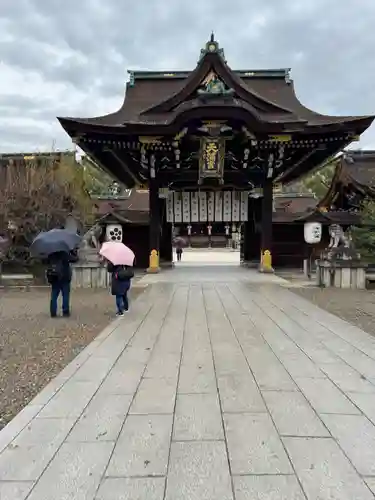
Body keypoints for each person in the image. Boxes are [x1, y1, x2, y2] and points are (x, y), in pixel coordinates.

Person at [46, 250, 74, 318]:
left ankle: (53, 311)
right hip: (65, 276)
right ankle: (65, 311)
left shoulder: (51, 253)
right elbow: (74, 259)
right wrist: (72, 252)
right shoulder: (65, 253)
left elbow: (45, 262)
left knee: (54, 295)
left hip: (54, 276)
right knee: (65, 295)